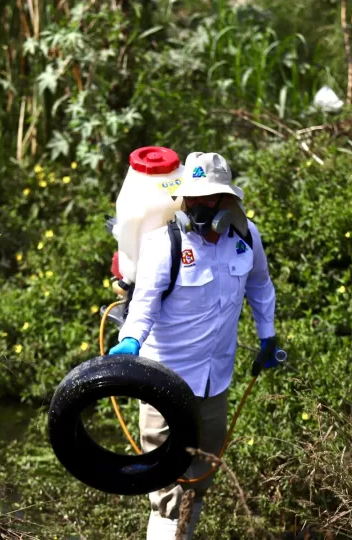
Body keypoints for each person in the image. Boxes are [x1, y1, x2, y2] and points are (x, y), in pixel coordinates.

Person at [108, 151, 279, 539]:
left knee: (201, 472)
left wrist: (268, 334)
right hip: (164, 380)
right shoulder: (164, 243)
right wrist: (131, 340)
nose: (198, 208)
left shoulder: (247, 237)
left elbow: (260, 286)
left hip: (214, 380)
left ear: (227, 201)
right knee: (165, 483)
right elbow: (146, 304)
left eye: (208, 199)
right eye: (192, 200)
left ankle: (185, 529)